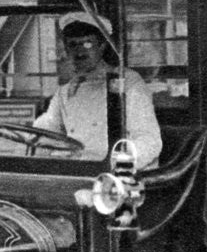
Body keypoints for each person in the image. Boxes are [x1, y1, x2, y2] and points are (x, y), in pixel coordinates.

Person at [33, 12, 161, 169]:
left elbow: (149, 140)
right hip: (76, 171)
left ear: (102, 46)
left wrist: (118, 167)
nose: (79, 52)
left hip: (110, 176)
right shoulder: (65, 91)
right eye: (73, 45)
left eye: (87, 44)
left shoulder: (126, 82)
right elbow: (47, 130)